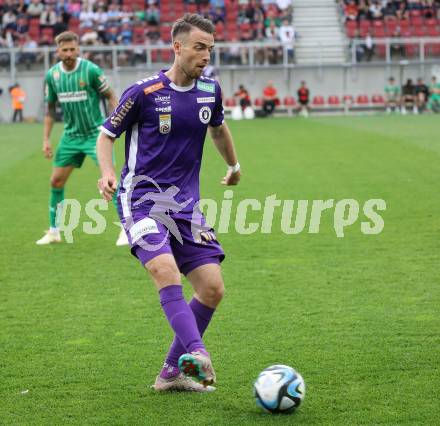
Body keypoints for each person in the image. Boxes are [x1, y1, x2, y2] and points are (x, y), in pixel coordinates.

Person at [97, 13, 241, 392]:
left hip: (185, 206)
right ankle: (197, 353)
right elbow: (106, 135)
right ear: (177, 47)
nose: (206, 56)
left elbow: (218, 128)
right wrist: (108, 173)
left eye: (210, 48)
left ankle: (171, 373)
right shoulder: (143, 93)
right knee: (164, 270)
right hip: (140, 200)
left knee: (212, 288)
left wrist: (234, 165)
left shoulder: (210, 91)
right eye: (199, 47)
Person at [35, 31, 126, 246]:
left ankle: (127, 228)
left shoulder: (91, 70)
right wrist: (46, 140)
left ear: (78, 49)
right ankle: (55, 231)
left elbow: (111, 95)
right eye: (64, 50)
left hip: (96, 135)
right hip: (70, 136)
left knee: (110, 181)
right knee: (56, 181)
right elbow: (50, 111)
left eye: (72, 49)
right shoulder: (52, 76)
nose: (69, 53)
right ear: (57, 51)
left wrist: (118, 122)